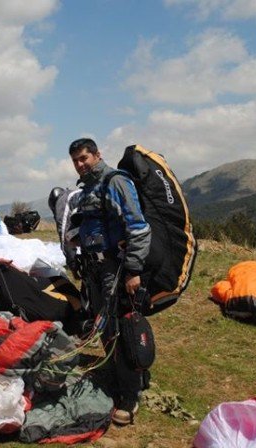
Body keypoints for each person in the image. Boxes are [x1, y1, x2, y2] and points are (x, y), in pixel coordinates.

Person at [67, 138, 152, 426]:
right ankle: (124, 376)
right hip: (95, 269)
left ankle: (130, 397)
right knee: (105, 328)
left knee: (120, 328)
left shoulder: (115, 181)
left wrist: (133, 270)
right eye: (76, 161)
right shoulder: (88, 187)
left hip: (115, 270)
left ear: (97, 155)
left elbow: (138, 227)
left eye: (84, 158)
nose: (80, 165)